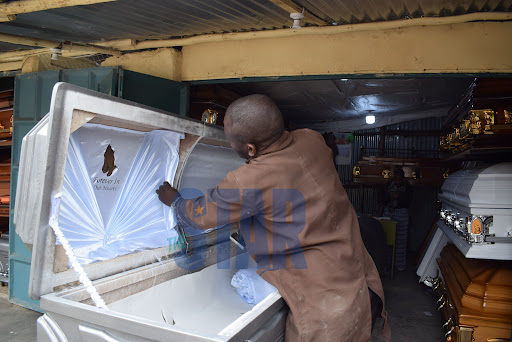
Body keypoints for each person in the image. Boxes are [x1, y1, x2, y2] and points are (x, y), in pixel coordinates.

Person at [156, 94, 390, 342]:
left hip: (324, 303)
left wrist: (176, 201)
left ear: (250, 149)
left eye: (229, 139)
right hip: (357, 277)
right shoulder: (311, 139)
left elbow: (200, 215)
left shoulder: (248, 179)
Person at [383, 166, 410, 272]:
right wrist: (391, 196)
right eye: (396, 176)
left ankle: (399, 265)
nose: (398, 178)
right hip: (389, 212)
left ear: (402, 177)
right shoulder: (388, 185)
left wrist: (398, 196)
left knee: (401, 241)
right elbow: (383, 198)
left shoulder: (407, 187)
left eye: (400, 176)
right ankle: (387, 264)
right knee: (387, 238)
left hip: (402, 213)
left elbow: (408, 201)